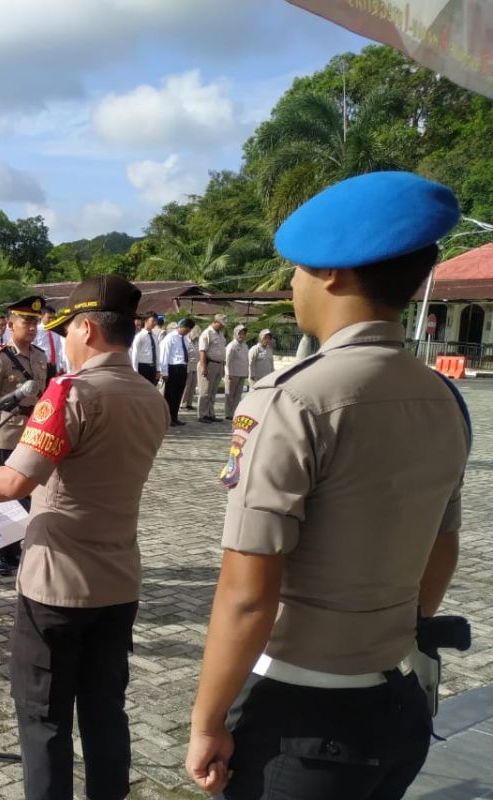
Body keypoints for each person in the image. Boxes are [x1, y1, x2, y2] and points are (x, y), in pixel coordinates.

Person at [185, 171, 470, 799]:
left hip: (301, 722)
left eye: (296, 270)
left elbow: (247, 595)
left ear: (335, 271)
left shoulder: (292, 400)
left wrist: (206, 722)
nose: (292, 284)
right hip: (396, 708)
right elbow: (441, 546)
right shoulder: (443, 397)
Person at [0, 276, 169, 800]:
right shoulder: (152, 396)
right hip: (119, 582)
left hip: (57, 587)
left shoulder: (70, 392)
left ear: (86, 327)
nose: (64, 343)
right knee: (105, 713)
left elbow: (15, 481)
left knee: (44, 721)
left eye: (66, 332)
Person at [0, 295, 48, 576]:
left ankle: (17, 547)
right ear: (10, 324)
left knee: (27, 494)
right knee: (4, 496)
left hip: (32, 432)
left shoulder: (40, 357)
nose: (31, 326)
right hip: (6, 432)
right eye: (26, 321)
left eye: (34, 321)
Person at [160, 318, 194, 427]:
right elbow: (164, 355)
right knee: (170, 395)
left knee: (178, 395)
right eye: (186, 329)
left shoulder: (184, 338)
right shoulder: (170, 338)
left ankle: (174, 417)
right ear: (180, 327)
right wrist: (164, 372)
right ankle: (167, 418)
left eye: (189, 330)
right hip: (173, 368)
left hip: (182, 368)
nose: (187, 332)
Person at [197, 314, 227, 422]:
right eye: (220, 324)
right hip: (209, 364)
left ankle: (210, 413)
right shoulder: (207, 333)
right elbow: (202, 351)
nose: (221, 327)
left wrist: (223, 366)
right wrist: (203, 367)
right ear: (215, 322)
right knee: (205, 391)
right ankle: (202, 414)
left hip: (218, 364)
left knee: (213, 392)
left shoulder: (220, 335)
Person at [34, 306, 68, 381]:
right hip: (41, 365)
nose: (51, 320)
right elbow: (33, 348)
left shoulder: (55, 331)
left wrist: (59, 366)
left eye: (53, 318)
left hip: (53, 366)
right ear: (42, 316)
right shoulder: (36, 330)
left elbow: (58, 350)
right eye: (49, 317)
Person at [223, 324, 249, 420]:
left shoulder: (245, 346)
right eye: (240, 333)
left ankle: (234, 412)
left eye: (243, 333)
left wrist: (246, 373)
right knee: (229, 394)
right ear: (235, 334)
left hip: (241, 373)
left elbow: (246, 360)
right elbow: (227, 360)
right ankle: (228, 413)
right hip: (232, 374)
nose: (241, 335)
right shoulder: (231, 346)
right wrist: (228, 373)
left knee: (238, 395)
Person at [130, 311, 161, 384]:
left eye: (156, 321)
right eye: (153, 321)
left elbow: (157, 353)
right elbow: (135, 354)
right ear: (146, 320)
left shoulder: (155, 336)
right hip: (143, 367)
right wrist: (135, 371)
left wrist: (158, 370)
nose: (155, 323)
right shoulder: (139, 336)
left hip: (153, 368)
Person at [182, 322, 200, 410]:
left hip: (196, 366)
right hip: (188, 366)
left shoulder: (197, 342)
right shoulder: (186, 341)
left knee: (193, 386)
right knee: (187, 386)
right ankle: (183, 403)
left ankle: (189, 403)